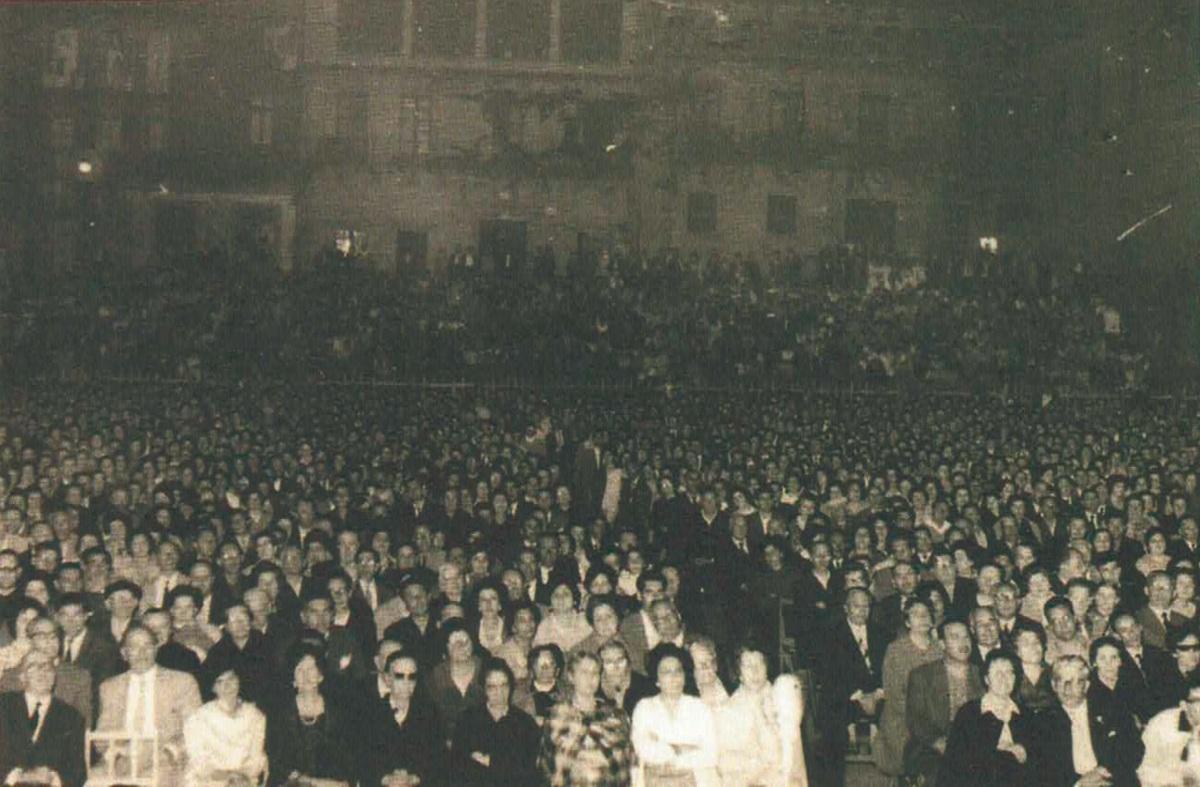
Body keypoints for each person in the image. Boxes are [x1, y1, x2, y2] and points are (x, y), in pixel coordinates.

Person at [95, 624, 203, 787]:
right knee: (93, 781)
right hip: (123, 758)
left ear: (156, 649)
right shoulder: (109, 687)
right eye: (134, 647)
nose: (142, 652)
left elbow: (195, 730)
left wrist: (168, 753)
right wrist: (116, 755)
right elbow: (102, 735)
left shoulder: (182, 681)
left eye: (147, 646)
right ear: (124, 653)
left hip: (165, 760)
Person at [1032, 655, 1142, 787]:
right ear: (1054, 685)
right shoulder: (1043, 721)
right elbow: (1043, 769)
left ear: (1086, 685)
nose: (1068, 690)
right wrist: (1079, 783)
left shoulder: (1111, 708)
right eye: (1063, 682)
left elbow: (1134, 748)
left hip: (1111, 781)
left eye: (1076, 682)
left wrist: (1100, 772)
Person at [904, 619, 983, 785]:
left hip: (974, 747)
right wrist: (940, 743)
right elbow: (916, 719)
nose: (963, 642)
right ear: (942, 644)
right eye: (955, 637)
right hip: (931, 747)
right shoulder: (922, 675)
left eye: (966, 636)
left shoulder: (981, 675)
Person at [538, 650, 633, 786]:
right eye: (584, 672)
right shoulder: (556, 716)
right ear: (571, 676)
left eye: (595, 672)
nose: (591, 678)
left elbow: (626, 764)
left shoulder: (617, 716)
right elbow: (546, 766)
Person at [940, 650, 1035, 786]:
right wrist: (1008, 751)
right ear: (986, 679)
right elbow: (959, 763)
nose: (1004, 678)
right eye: (997, 673)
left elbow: (1036, 761)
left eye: (1009, 672)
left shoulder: (1026, 715)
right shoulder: (970, 713)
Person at [265, 645, 355, 787]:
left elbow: (346, 756)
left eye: (311, 669)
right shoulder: (279, 713)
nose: (306, 675)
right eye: (300, 670)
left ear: (320, 675)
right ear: (293, 679)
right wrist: (305, 781)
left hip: (331, 782)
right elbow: (276, 759)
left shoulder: (338, 712)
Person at [630, 643, 719, 786]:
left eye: (678, 671)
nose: (674, 677)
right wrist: (682, 749)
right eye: (666, 672)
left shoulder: (700, 708)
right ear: (656, 680)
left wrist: (664, 748)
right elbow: (643, 750)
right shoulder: (644, 708)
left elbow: (711, 755)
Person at [875, 596, 943, 777]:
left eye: (927, 614)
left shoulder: (940, 649)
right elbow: (894, 694)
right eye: (916, 614)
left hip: (936, 719)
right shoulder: (895, 650)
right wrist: (922, 722)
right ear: (907, 621)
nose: (923, 618)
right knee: (916, 753)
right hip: (902, 720)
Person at [0, 650, 86, 787]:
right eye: (34, 666)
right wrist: (17, 776)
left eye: (48, 666)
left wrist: (53, 777)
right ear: (22, 677)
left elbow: (77, 770)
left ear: (54, 676)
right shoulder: (3, 706)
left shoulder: (71, 716)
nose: (43, 671)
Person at [361, 650, 445, 787]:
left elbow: (439, 759)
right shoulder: (370, 714)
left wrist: (413, 778)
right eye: (400, 676)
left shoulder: (429, 714)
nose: (407, 682)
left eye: (412, 677)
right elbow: (362, 759)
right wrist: (387, 779)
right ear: (387, 679)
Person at [450, 659, 540, 786]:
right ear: (484, 689)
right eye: (492, 687)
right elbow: (458, 767)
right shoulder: (468, 720)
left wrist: (490, 761)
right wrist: (505, 764)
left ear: (511, 686)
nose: (499, 693)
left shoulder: (525, 723)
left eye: (504, 685)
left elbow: (527, 771)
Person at [182, 667, 267, 787]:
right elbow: (199, 761)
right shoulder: (198, 718)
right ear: (213, 687)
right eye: (219, 682)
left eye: (231, 679)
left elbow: (256, 757)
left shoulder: (255, 716)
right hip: (208, 782)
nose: (227, 686)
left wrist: (241, 777)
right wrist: (226, 777)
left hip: (244, 782)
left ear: (239, 680)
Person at [715, 646, 784, 786]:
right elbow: (724, 761)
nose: (755, 671)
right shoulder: (729, 709)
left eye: (760, 663)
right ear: (739, 673)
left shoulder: (782, 700)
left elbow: (785, 753)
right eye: (748, 666)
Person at [426, 619, 484, 742]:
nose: (462, 647)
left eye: (466, 642)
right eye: (457, 644)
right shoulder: (436, 676)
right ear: (446, 647)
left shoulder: (485, 669)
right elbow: (430, 719)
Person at [1137, 676, 1200, 786]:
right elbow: (1144, 769)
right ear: (1184, 705)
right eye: (1198, 701)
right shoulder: (1162, 724)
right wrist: (1177, 780)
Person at [533, 579, 593, 653]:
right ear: (550, 601)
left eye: (566, 594)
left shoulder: (585, 621)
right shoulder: (544, 627)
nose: (561, 598)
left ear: (574, 600)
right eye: (556, 595)